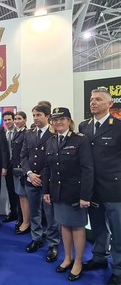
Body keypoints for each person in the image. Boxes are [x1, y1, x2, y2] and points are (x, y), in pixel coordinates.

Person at [43, 107, 94, 281]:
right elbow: (46, 168)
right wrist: (46, 191)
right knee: (64, 225)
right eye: (55, 120)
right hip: (57, 192)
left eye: (62, 119)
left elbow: (88, 169)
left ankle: (78, 261)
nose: (58, 122)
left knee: (77, 227)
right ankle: (67, 258)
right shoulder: (50, 141)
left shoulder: (80, 140)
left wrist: (85, 196)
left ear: (69, 121)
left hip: (75, 193)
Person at [79, 87, 121, 285]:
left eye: (98, 99)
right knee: (98, 227)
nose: (93, 102)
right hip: (91, 188)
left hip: (114, 188)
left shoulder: (118, 126)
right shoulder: (83, 126)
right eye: (91, 99)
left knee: (118, 230)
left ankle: (119, 269)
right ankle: (99, 258)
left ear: (110, 104)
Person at [21, 104, 60, 262]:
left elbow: (55, 160)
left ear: (47, 116)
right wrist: (29, 174)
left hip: (48, 181)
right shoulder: (29, 133)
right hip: (31, 180)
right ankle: (36, 238)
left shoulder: (54, 133)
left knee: (50, 215)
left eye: (39, 115)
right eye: (34, 115)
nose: (36, 118)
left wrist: (41, 177)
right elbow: (23, 156)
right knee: (34, 211)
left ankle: (53, 243)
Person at [12, 111, 30, 235]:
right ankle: (23, 219)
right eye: (15, 119)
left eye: (19, 118)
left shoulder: (26, 133)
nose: (17, 121)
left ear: (25, 119)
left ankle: (26, 222)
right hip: (16, 169)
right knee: (21, 196)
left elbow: (25, 154)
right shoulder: (16, 133)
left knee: (24, 197)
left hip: (23, 170)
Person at [2, 111, 21, 223]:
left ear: (13, 119)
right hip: (7, 167)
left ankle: (21, 215)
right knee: (10, 191)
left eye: (9, 119)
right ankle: (13, 212)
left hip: (18, 166)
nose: (7, 122)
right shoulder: (3, 133)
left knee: (20, 192)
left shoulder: (19, 132)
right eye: (5, 120)